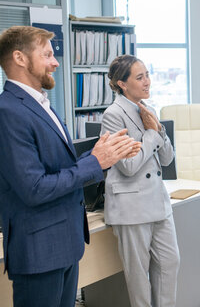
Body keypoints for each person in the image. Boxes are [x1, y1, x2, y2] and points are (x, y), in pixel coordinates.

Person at [0, 26, 139, 307]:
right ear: (19, 58)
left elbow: (57, 166)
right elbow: (34, 188)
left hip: (64, 243)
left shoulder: (41, 105)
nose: (56, 62)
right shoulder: (8, 112)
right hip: (39, 253)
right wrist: (94, 162)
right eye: (47, 54)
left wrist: (101, 154)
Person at [101, 54, 180, 307]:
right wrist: (150, 133)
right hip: (131, 207)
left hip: (158, 203)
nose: (147, 81)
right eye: (139, 77)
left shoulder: (148, 109)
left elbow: (167, 159)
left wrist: (156, 130)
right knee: (138, 277)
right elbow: (128, 166)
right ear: (122, 84)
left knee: (170, 262)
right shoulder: (113, 115)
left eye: (147, 74)